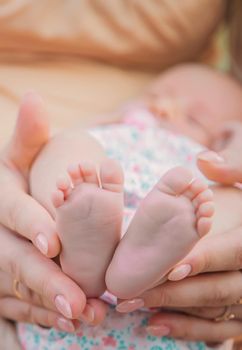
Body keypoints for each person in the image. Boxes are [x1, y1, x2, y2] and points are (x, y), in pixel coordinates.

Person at [16, 63, 242, 349]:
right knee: (64, 145)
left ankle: (145, 261)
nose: (164, 108)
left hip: (174, 265)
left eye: (194, 119)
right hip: (104, 196)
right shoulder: (109, 135)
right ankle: (86, 256)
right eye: (155, 95)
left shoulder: (207, 166)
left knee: (231, 200)